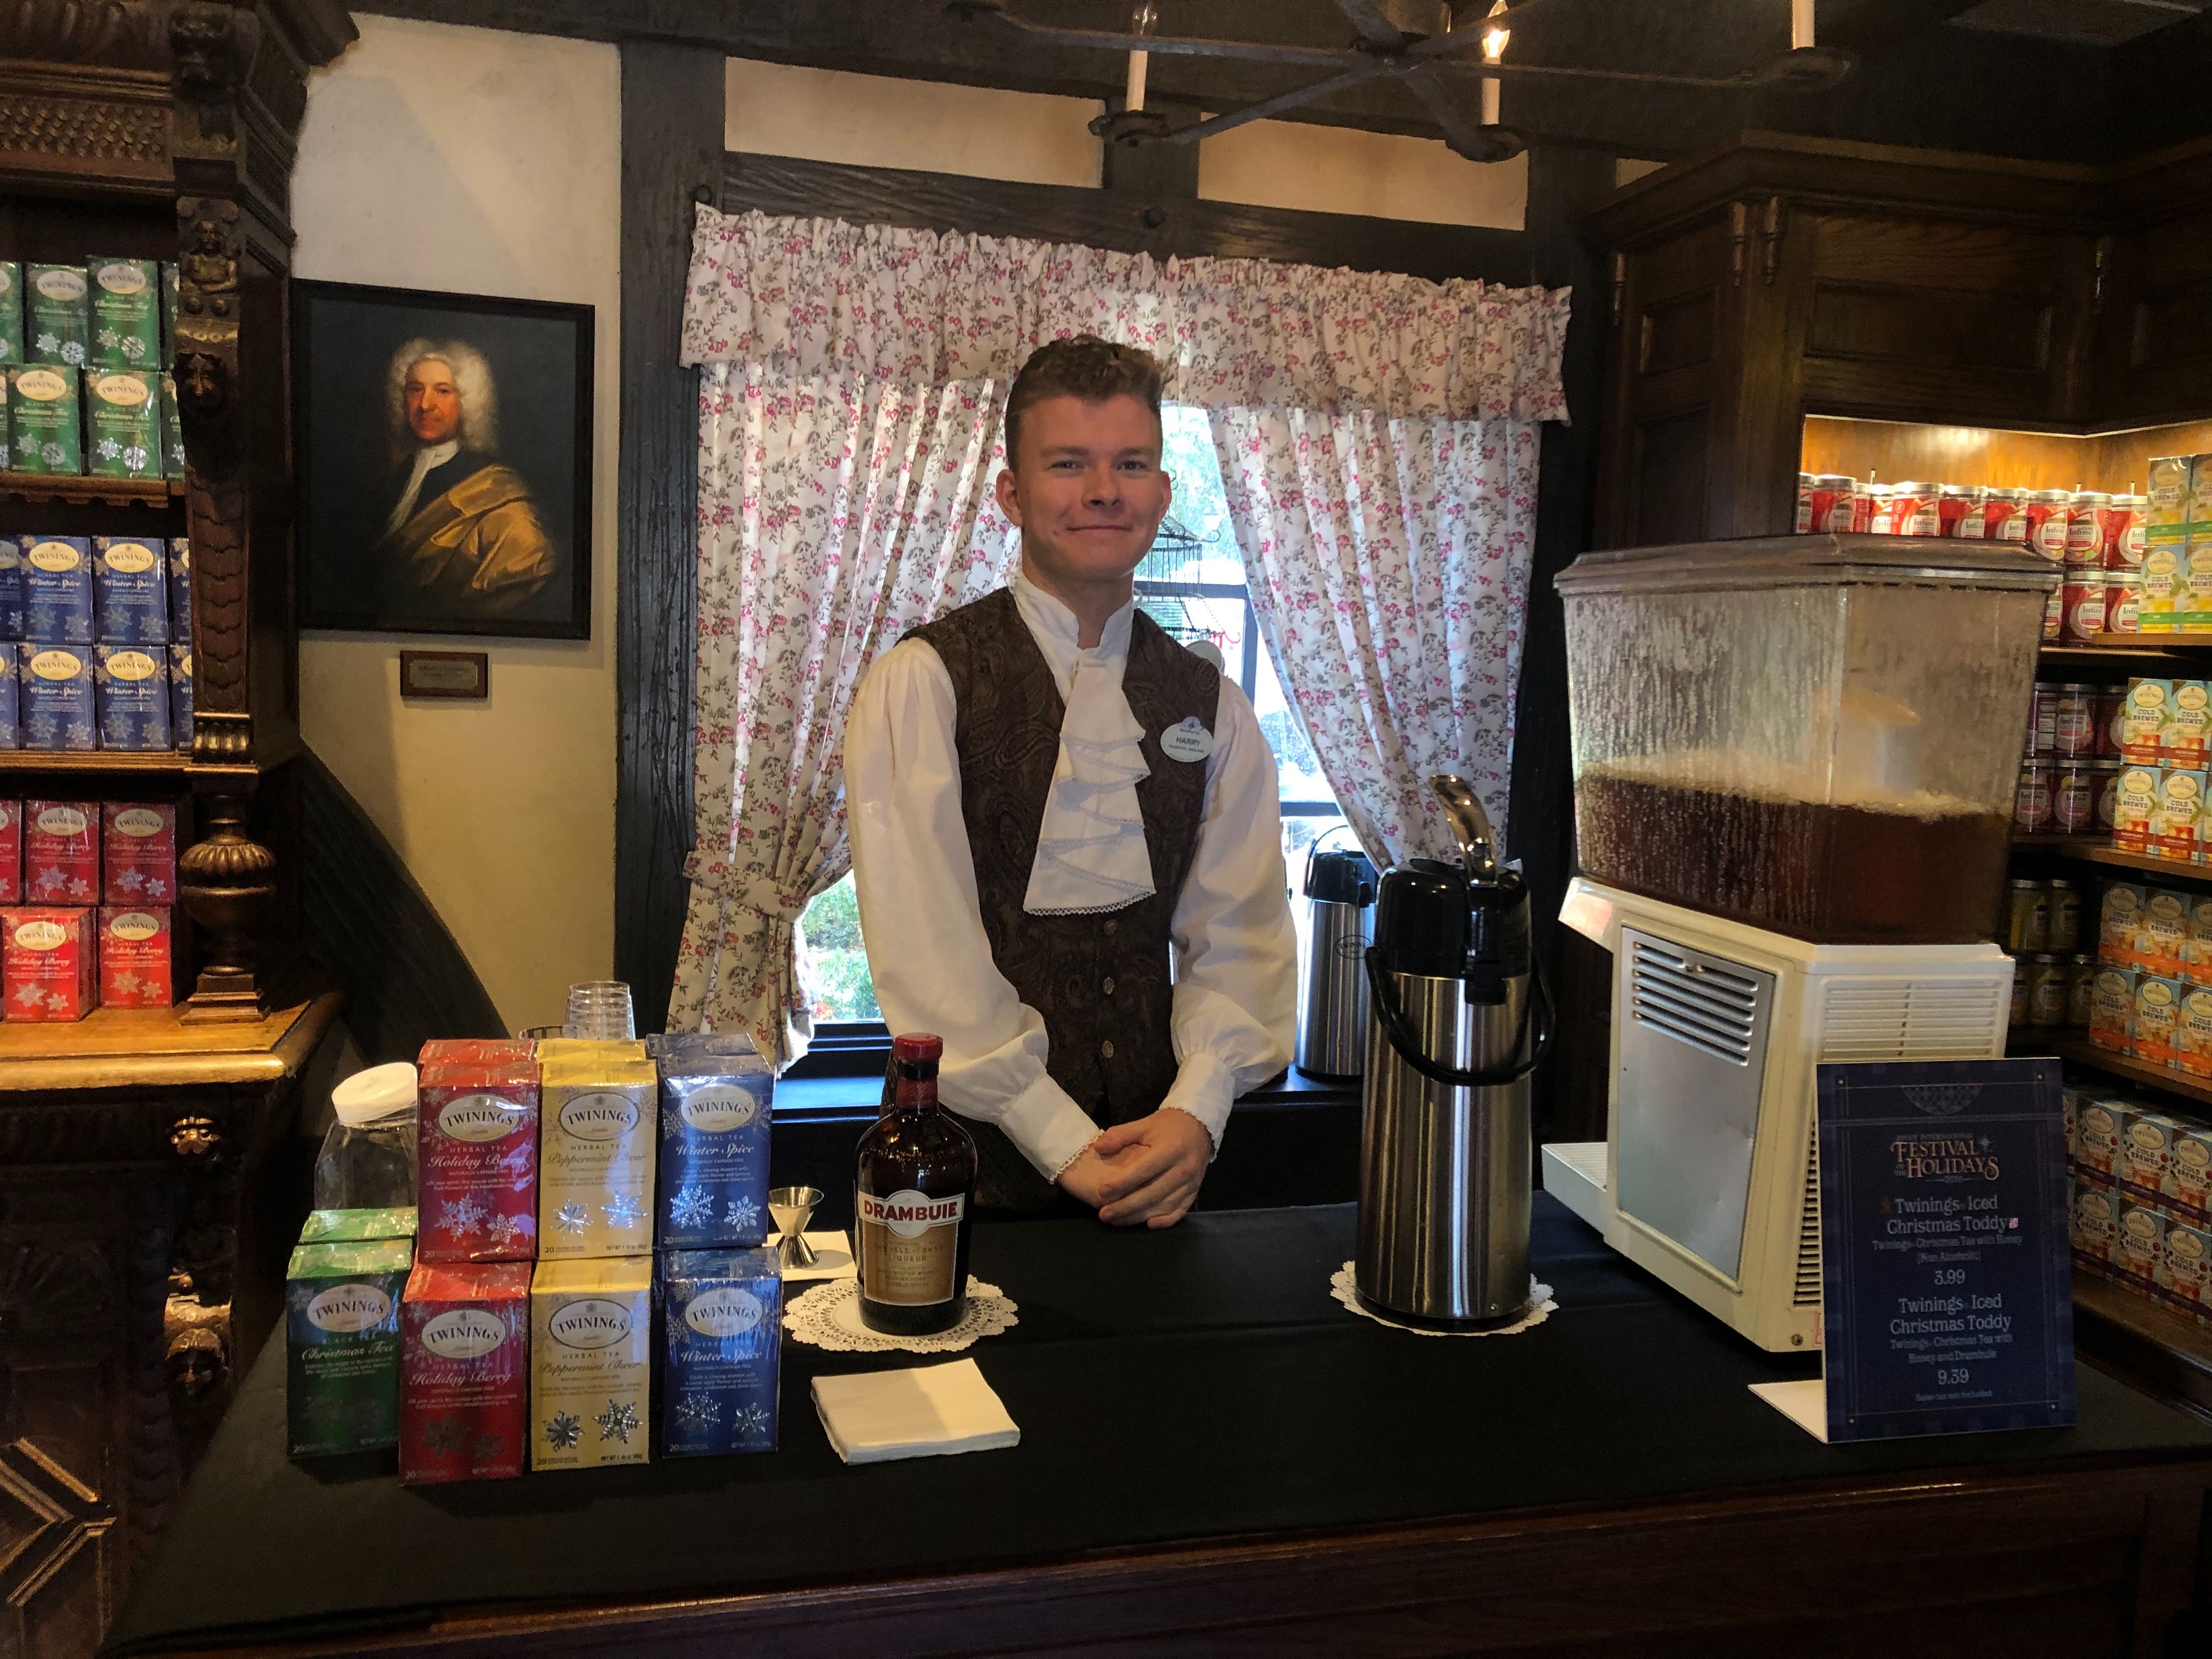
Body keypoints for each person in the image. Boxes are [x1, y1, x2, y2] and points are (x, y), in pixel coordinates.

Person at [844, 335, 1296, 1228]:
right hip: (956, 1169)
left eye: (1130, 463)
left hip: (1163, 1170)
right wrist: (1063, 1142)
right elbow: (923, 944)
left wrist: (1195, 1113)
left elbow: (1238, 931)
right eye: (1068, 463)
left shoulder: (1212, 704)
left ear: (1161, 491)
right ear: (1012, 493)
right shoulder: (923, 680)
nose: (1103, 489)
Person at [371, 340, 557, 619]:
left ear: (468, 402)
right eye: (415, 390)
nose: (425, 405)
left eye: (443, 391)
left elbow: (528, 562)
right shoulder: (399, 476)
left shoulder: (494, 487)